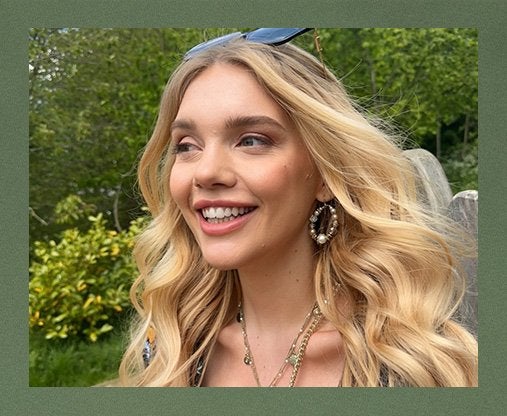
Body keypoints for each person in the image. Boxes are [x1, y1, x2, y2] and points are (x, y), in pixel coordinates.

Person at [118, 28, 478, 387]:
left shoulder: (411, 367)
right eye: (186, 145)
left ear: (324, 174)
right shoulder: (173, 349)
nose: (206, 171)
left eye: (251, 140)